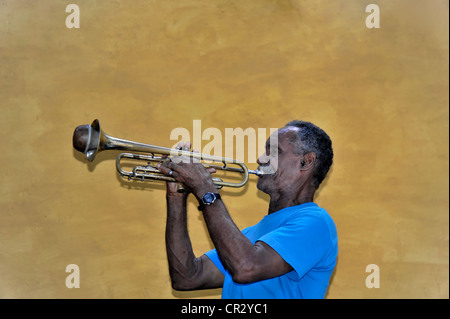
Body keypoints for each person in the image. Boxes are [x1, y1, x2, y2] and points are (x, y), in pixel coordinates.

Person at [157, 120, 337, 299]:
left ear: (306, 162)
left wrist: (205, 188)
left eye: (274, 151)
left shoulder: (316, 222)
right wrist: (176, 196)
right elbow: (187, 278)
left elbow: (246, 268)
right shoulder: (250, 237)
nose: (261, 159)